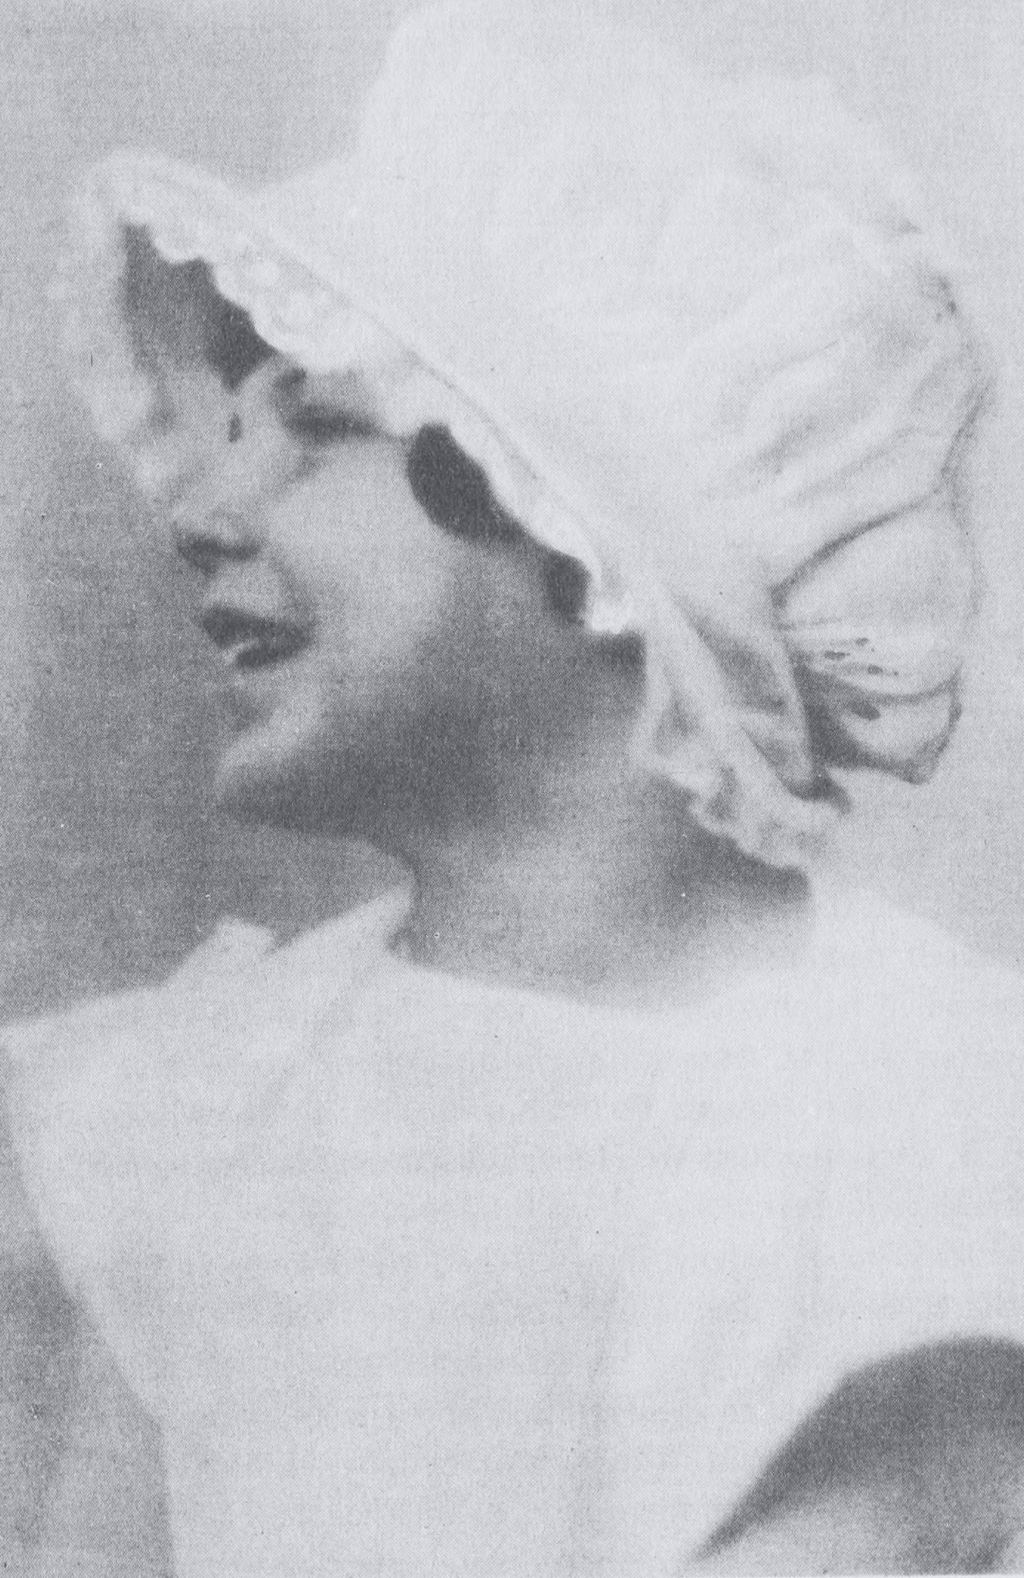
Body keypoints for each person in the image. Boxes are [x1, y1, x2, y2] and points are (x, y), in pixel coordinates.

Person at [3, 3, 1024, 1573]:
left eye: (311, 429)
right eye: (223, 429)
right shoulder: (206, 1104)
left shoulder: (908, 1121)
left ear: (579, 538)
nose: (199, 508)